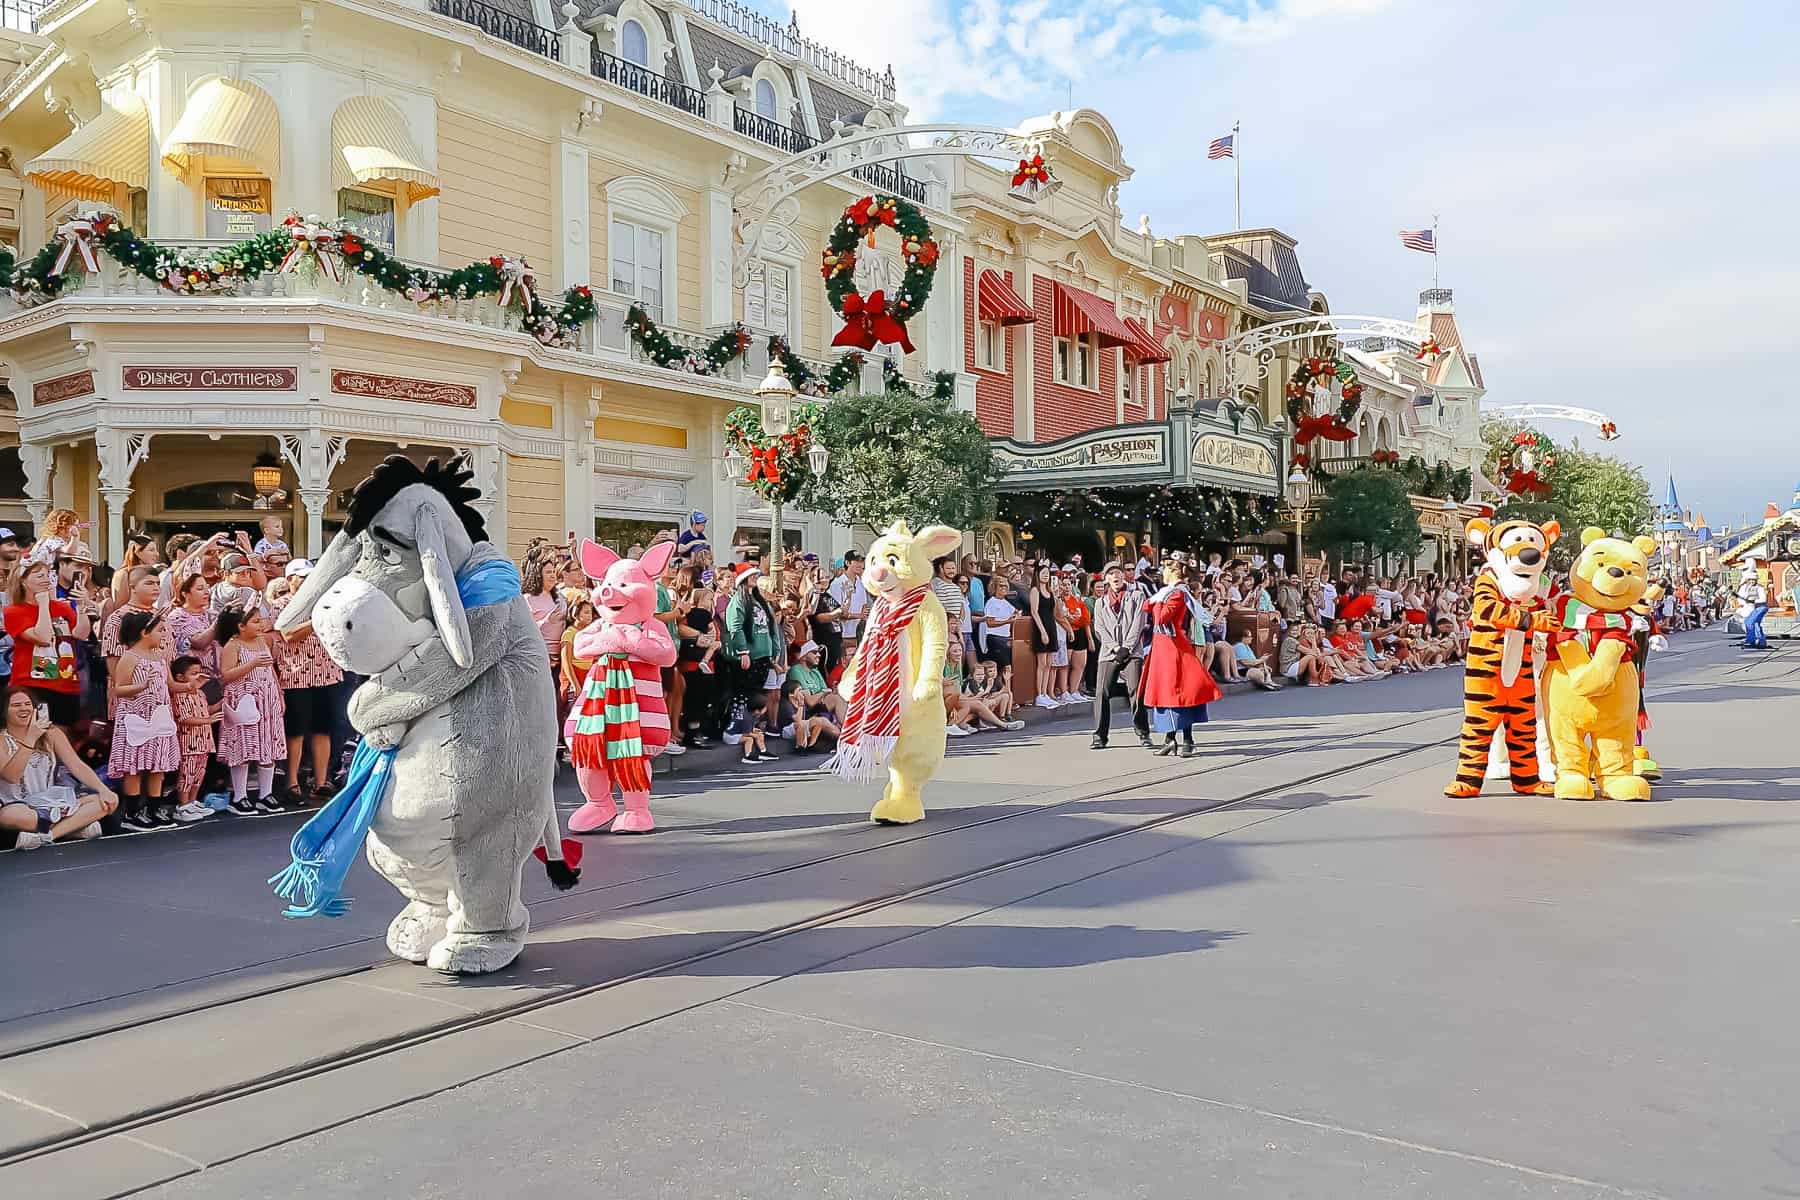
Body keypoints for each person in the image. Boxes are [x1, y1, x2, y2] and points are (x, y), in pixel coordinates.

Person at [0, 687, 118, 850]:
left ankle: (48, 836)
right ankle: (73, 829)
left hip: (52, 802)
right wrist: (30, 739)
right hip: (18, 806)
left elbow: (76, 765)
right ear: (5, 711)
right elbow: (11, 776)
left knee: (104, 801)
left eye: (28, 704)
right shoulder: (2, 739)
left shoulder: (52, 733)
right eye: (16, 705)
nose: (23, 709)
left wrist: (102, 789)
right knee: (9, 816)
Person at [272, 560, 345, 805]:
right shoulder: (282, 605)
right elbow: (288, 634)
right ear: (290, 578)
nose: (305, 582)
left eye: (309, 577)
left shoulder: (324, 602)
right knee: (296, 732)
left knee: (323, 729)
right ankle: (292, 782)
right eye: (301, 577)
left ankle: (321, 781)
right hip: (295, 676)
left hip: (326, 674)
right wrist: (317, 620)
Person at [108, 610, 184, 828]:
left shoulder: (160, 656)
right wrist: (140, 686)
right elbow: (119, 689)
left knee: (157, 765)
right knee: (134, 765)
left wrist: (189, 686)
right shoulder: (129, 657)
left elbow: (169, 685)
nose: (163, 635)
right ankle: (132, 812)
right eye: (160, 631)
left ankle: (153, 807)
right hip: (137, 718)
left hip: (159, 716)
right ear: (144, 633)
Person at [1142, 554, 1222, 757]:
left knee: (1180, 691)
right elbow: (1145, 607)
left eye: (1166, 569)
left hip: (1173, 646)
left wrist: (1158, 600)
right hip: (1161, 646)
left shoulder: (1177, 593)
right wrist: (1158, 597)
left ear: (1174, 571)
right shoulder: (1166, 592)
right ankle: (1170, 739)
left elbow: (1161, 618)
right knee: (1165, 692)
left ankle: (1187, 739)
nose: (1162, 573)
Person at [5, 556, 91, 728]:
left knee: (64, 737)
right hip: (32, 684)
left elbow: (81, 634)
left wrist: (81, 606)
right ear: (23, 581)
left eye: (47, 575)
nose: (46, 580)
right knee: (37, 737)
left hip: (66, 682)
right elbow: (43, 637)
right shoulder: (14, 611)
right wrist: (43, 604)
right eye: (39, 575)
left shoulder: (63, 608)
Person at [216, 606, 286, 815]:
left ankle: (266, 793)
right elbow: (226, 676)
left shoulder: (261, 641)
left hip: (267, 701)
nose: (260, 624)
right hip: (243, 701)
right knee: (243, 746)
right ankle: (239, 796)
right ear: (240, 626)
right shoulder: (233, 645)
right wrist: (252, 664)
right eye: (255, 621)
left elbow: (271, 670)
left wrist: (279, 695)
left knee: (267, 745)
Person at [1089, 562, 1151, 749]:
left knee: (1135, 690)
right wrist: (1115, 647)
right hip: (1110, 652)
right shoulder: (1101, 602)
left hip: (1132, 651)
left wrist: (1127, 647)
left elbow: (1139, 622)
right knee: (1101, 692)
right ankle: (1100, 735)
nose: (1115, 576)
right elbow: (1099, 628)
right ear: (1106, 579)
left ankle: (1143, 732)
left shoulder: (1137, 596)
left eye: (1118, 572)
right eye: (1111, 574)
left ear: (1123, 576)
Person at [169, 655, 218, 817]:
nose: (198, 676)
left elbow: (207, 710)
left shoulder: (200, 694)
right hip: (188, 741)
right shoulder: (179, 695)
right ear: (180, 677)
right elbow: (183, 718)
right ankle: (182, 806)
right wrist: (208, 720)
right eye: (194, 673)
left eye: (199, 672)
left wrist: (222, 704)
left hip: (204, 741)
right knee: (187, 774)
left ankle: (192, 802)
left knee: (199, 774)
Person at [1060, 572, 1091, 704]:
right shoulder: (1058, 600)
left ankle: (1074, 690)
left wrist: (1089, 638)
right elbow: (1061, 616)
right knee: (1065, 664)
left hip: (1079, 632)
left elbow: (1085, 618)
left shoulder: (1077, 600)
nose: (1066, 587)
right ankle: (1063, 691)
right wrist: (1070, 619)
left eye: (1069, 584)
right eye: (1064, 585)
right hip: (1066, 632)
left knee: (1080, 664)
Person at [829, 551, 869, 645]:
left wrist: (863, 615)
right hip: (843, 635)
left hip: (860, 635)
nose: (860, 564)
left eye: (861, 561)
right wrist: (859, 615)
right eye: (856, 561)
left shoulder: (861, 582)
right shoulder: (837, 583)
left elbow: (864, 606)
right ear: (847, 563)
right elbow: (837, 612)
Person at [1739, 562, 1770, 650]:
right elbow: (1743, 598)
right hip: (1754, 608)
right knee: (1756, 623)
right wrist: (1744, 601)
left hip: (1761, 607)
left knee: (1749, 622)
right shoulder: (1747, 588)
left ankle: (1750, 640)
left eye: (1753, 580)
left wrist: (1753, 601)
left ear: (1756, 580)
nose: (1752, 581)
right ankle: (1761, 641)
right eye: (1750, 580)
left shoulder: (1759, 588)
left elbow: (1763, 599)